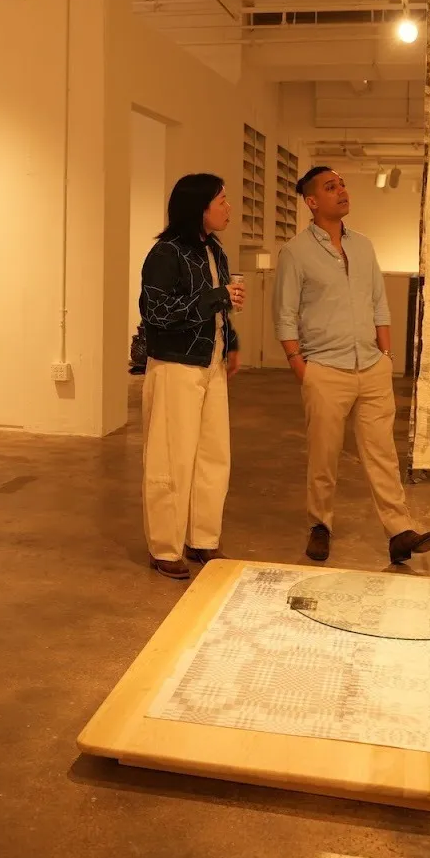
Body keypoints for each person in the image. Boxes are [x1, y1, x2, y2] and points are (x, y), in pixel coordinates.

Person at [274, 166, 430, 565]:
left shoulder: (363, 246)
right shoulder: (295, 252)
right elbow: (285, 314)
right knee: (324, 456)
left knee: (383, 453)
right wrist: (301, 368)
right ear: (312, 202)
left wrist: (386, 356)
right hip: (325, 369)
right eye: (331, 187)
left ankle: (399, 531)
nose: (342, 191)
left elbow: (379, 303)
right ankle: (320, 525)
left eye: (342, 185)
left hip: (371, 367)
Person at [138, 174, 245, 580]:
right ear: (199, 208)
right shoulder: (166, 253)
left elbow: (216, 309)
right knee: (171, 458)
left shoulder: (214, 250)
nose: (228, 207)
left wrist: (230, 340)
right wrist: (218, 297)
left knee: (213, 456)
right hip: (175, 367)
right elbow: (156, 313)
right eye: (222, 201)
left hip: (209, 363)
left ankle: (203, 538)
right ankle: (165, 547)